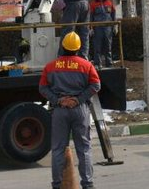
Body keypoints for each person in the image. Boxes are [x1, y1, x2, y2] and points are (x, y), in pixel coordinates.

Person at [39, 32, 101, 189]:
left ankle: (57, 185)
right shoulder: (86, 65)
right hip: (80, 110)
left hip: (60, 110)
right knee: (84, 148)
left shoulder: (51, 66)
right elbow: (95, 85)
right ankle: (88, 184)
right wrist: (78, 99)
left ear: (63, 47)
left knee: (58, 149)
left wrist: (58, 100)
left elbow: (43, 87)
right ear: (78, 48)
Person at [89, 0, 116, 67]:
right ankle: (98, 64)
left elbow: (113, 14)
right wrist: (91, 28)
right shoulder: (92, 4)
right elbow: (90, 17)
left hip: (108, 28)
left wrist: (114, 26)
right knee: (97, 47)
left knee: (108, 46)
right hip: (97, 29)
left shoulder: (109, 2)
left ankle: (109, 64)